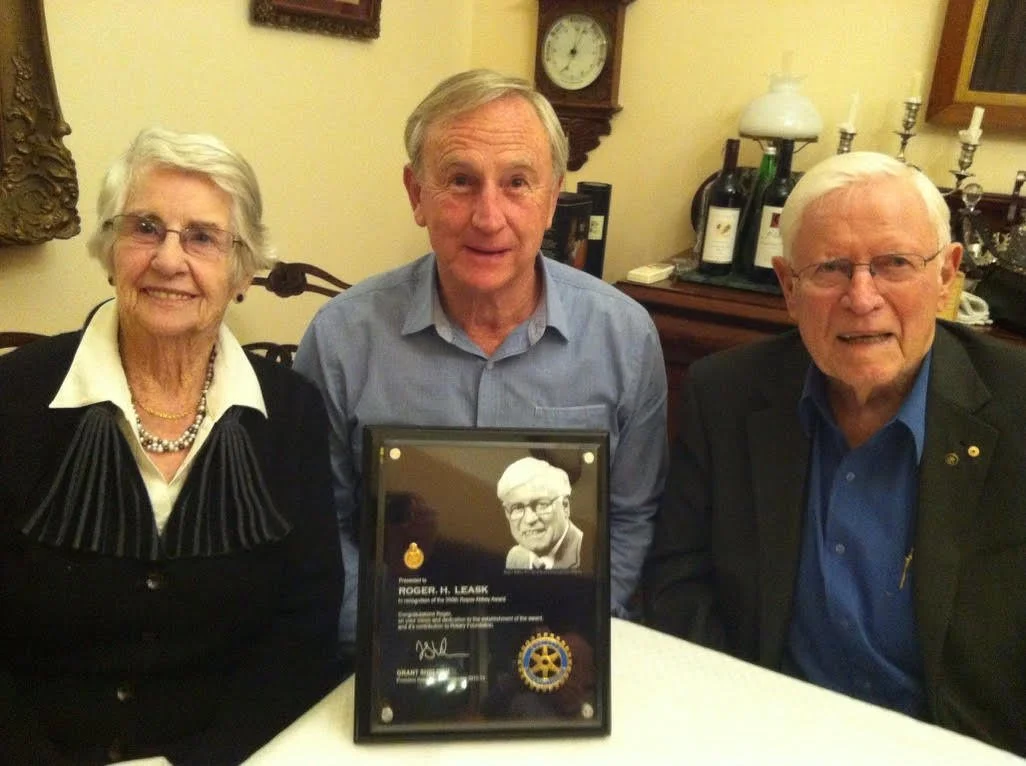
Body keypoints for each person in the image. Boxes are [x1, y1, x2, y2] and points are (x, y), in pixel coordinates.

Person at [643, 151, 1026, 756]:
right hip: (762, 733)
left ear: (947, 276)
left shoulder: (1015, 408)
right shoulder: (727, 395)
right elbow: (678, 581)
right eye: (830, 269)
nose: (862, 297)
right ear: (788, 288)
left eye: (895, 264)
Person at [0, 128, 344, 765]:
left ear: (241, 272)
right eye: (146, 228)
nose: (168, 259)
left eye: (203, 238)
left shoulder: (290, 413)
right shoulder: (12, 400)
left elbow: (304, 627)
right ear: (109, 251)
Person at [294, 69, 667, 654]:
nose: (488, 217)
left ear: (552, 197)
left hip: (561, 654)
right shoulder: (341, 340)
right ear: (417, 195)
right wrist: (376, 648)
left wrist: (588, 633)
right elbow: (323, 525)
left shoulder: (624, 337)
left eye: (517, 182)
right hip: (393, 654)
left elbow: (630, 517)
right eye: (461, 181)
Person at [496, 456, 583, 570]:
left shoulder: (587, 551)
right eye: (517, 507)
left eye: (542, 504)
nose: (529, 519)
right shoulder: (516, 557)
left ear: (565, 506)